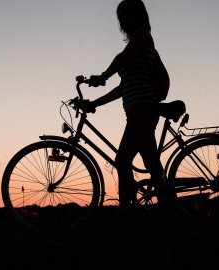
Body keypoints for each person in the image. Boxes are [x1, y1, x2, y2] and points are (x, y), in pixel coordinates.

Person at [87, 0, 170, 216]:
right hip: (137, 111)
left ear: (138, 16)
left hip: (144, 109)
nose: (122, 20)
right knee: (152, 165)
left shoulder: (142, 36)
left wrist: (103, 76)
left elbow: (121, 58)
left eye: (126, 15)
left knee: (122, 160)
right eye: (120, 16)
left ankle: (127, 213)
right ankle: (170, 210)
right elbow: (122, 89)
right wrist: (93, 104)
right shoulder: (135, 44)